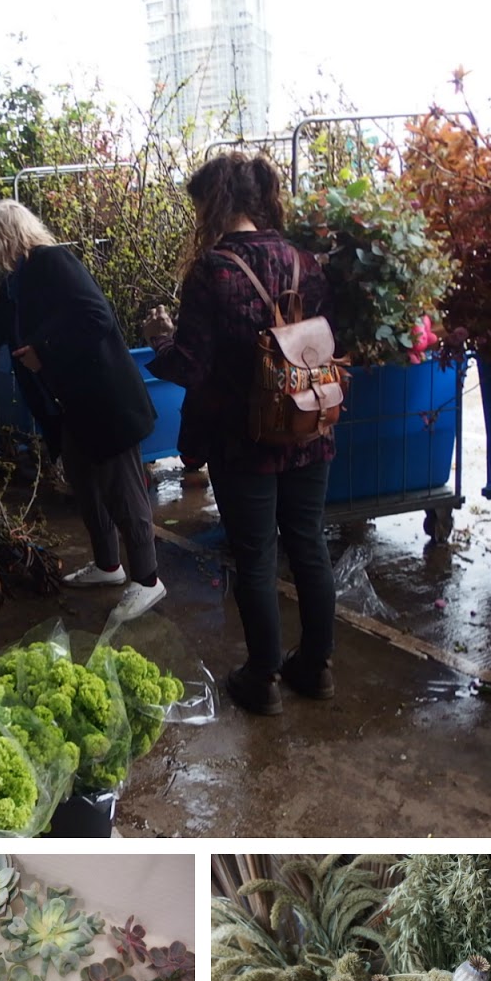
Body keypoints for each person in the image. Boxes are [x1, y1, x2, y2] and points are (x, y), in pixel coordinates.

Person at [143, 152, 337, 716]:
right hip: (308, 424)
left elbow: (189, 365)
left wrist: (159, 337)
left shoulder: (213, 271)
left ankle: (263, 677)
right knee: (309, 543)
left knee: (255, 555)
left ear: (214, 203)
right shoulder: (304, 260)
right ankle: (316, 667)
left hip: (242, 437)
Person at [0, 200, 165, 623]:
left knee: (123, 493)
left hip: (106, 401)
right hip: (71, 405)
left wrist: (44, 352)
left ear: (4, 238)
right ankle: (109, 566)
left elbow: (98, 317)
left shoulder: (53, 262)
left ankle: (148, 580)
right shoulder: (16, 284)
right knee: (87, 487)